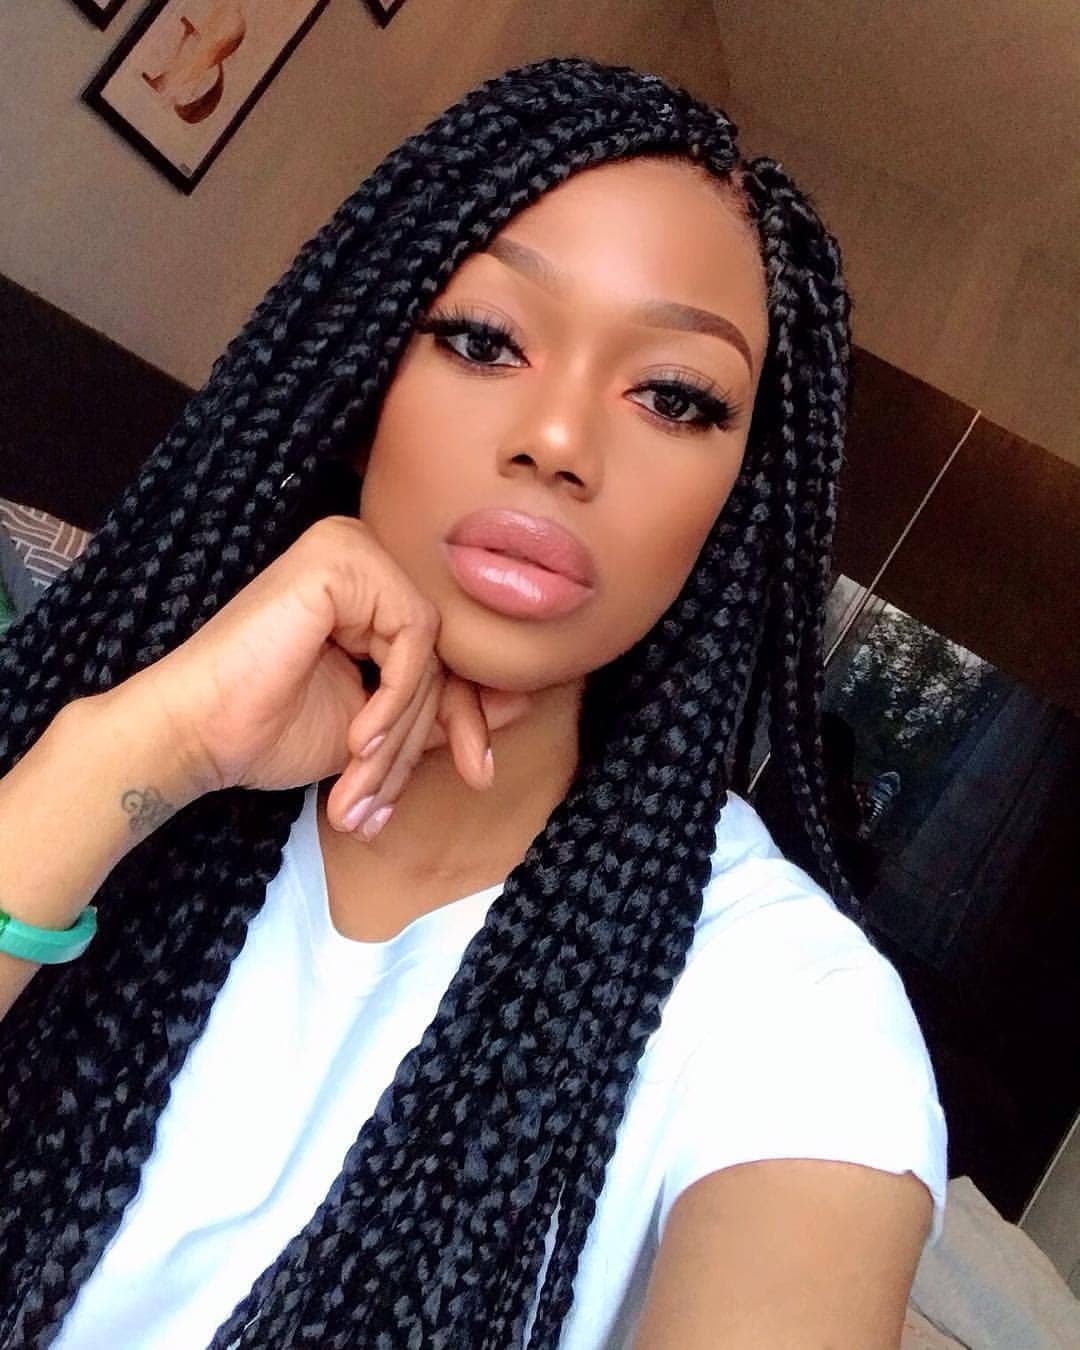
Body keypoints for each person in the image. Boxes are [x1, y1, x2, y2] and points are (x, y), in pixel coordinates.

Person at [0, 57, 946, 1350]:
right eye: (485, 339)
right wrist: (142, 749)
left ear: (734, 508)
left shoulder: (788, 1008)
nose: (558, 439)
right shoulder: (104, 709)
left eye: (675, 397)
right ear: (363, 383)